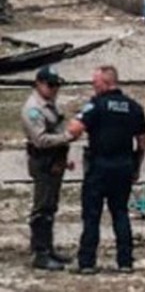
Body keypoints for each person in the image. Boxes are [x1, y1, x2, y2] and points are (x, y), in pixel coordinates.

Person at [67, 66, 145, 275]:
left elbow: (74, 129)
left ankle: (87, 262)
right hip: (123, 167)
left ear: (106, 83)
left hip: (99, 167)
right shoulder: (134, 107)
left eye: (95, 83)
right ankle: (125, 261)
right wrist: (136, 165)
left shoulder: (96, 105)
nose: (93, 87)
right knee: (121, 214)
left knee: (92, 215)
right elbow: (142, 141)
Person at [22, 66, 80, 271]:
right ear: (39, 84)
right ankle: (40, 252)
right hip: (43, 161)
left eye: (57, 85)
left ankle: (48, 247)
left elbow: (57, 128)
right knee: (43, 207)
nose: (54, 89)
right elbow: (40, 140)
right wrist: (68, 137)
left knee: (51, 206)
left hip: (55, 160)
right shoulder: (33, 109)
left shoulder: (50, 105)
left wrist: (65, 156)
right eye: (50, 85)